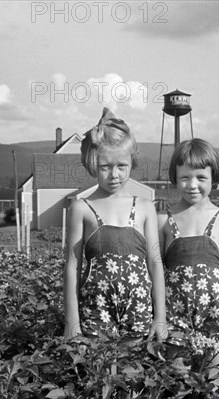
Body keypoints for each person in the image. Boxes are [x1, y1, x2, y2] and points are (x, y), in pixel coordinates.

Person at [63, 107, 167, 342]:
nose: (114, 174)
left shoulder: (144, 206)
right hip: (95, 315)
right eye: (105, 167)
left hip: (139, 313)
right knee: (99, 376)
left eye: (122, 166)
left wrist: (160, 318)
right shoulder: (82, 208)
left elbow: (155, 262)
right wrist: (72, 323)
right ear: (92, 164)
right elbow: (72, 267)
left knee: (133, 377)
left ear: (132, 161)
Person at [158, 138, 219, 366]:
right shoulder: (164, 219)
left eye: (201, 178)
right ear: (174, 178)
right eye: (185, 177)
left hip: (214, 315)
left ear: (214, 177)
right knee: (177, 381)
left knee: (212, 382)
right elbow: (154, 274)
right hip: (174, 316)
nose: (192, 185)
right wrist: (158, 319)